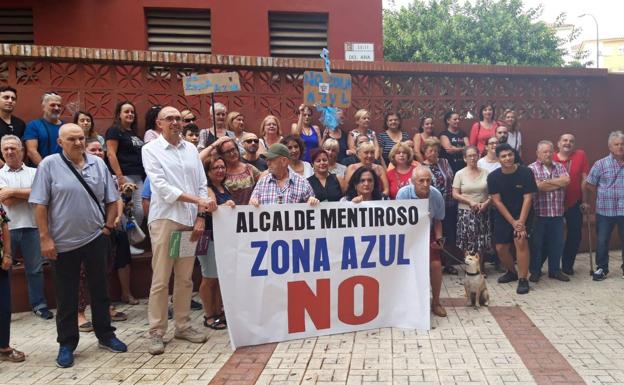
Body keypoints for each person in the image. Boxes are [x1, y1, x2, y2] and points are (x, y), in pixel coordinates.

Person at [30, 123, 127, 368]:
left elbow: (111, 199)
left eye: (81, 138)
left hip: (96, 238)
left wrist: (106, 228)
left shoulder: (98, 163)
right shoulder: (49, 165)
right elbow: (39, 204)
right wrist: (45, 238)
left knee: (100, 290)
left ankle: (106, 335)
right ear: (60, 142)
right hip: (62, 243)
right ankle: (67, 343)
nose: (78, 143)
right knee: (66, 296)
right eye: (71, 139)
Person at [142, 106, 217, 355]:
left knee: (185, 278)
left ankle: (183, 326)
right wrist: (198, 202)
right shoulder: (150, 150)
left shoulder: (191, 150)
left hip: (189, 220)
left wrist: (200, 217)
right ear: (159, 123)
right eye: (170, 119)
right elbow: (162, 188)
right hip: (165, 219)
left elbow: (202, 184)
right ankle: (156, 331)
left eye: (179, 119)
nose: (176, 122)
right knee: (161, 278)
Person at [0, 135, 52, 319]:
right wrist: (29, 194)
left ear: (21, 150)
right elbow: (8, 202)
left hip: (32, 226)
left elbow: (40, 195)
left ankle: (39, 305)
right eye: (5, 148)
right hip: (6, 230)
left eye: (13, 148)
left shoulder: (35, 172)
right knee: (3, 270)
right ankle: (4, 310)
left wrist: (13, 191)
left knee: (35, 269)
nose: (9, 151)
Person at [397, 166, 447, 317]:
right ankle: (406, 302)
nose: (425, 184)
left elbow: (438, 220)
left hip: (427, 232)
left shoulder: (436, 195)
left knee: (436, 265)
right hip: (406, 234)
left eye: (428, 180)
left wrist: (439, 239)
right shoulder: (403, 194)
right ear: (413, 182)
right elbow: (397, 222)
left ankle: (436, 302)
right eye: (421, 181)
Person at [487, 143, 537, 295]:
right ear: (498, 159)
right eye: (503, 156)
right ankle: (511, 272)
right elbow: (497, 201)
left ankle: (523, 279)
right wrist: (513, 222)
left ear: (514, 155)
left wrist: (520, 223)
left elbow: (528, 198)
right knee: (500, 248)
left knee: (520, 240)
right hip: (504, 215)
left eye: (510, 155)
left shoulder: (526, 172)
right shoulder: (493, 177)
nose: (507, 158)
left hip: (524, 213)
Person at [105, 101, 145, 255]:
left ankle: (132, 240)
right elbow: (111, 154)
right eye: (126, 111)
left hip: (137, 176)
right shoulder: (114, 131)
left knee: (139, 211)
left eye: (132, 112)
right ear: (119, 115)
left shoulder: (134, 134)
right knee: (127, 211)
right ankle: (126, 244)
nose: (130, 114)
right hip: (125, 176)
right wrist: (120, 177)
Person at [199, 156, 235, 330]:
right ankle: (209, 315)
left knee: (220, 278)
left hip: (222, 240)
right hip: (208, 238)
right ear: (208, 172)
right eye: (216, 168)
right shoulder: (207, 188)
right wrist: (224, 205)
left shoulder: (224, 187)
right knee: (209, 278)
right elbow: (212, 205)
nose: (220, 170)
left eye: (222, 167)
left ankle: (219, 312)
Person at [527, 140, 570, 282]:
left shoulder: (560, 166)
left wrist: (545, 183)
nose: (548, 154)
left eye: (550, 151)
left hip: (557, 213)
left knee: (557, 244)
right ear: (538, 153)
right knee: (537, 245)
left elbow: (566, 181)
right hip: (540, 214)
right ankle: (535, 271)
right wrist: (556, 182)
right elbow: (538, 187)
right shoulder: (531, 169)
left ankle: (555, 271)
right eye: (545, 152)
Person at [584, 130, 624, 281]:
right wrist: (603, 193)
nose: (620, 147)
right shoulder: (600, 164)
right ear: (610, 147)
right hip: (605, 210)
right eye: (617, 144)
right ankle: (602, 268)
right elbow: (589, 184)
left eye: (622, 144)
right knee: (602, 240)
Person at [553, 133, 590, 275]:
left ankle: (567, 265)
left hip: (574, 202)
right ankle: (546, 266)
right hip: (554, 204)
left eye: (571, 141)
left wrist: (585, 201)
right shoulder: (552, 157)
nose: (568, 143)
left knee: (575, 235)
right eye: (565, 140)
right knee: (552, 235)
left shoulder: (580, 155)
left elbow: (584, 179)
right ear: (558, 143)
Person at [452, 146, 491, 273]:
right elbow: (455, 194)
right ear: (464, 158)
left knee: (481, 239)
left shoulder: (486, 173)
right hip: (466, 212)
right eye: (469, 156)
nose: (473, 158)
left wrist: (485, 203)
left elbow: (493, 194)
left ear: (478, 156)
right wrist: (470, 202)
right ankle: (470, 268)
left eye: (475, 155)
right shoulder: (460, 173)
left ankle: (481, 266)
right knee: (467, 240)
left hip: (483, 210)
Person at [422, 137, 457, 274]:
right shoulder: (421, 167)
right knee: (434, 235)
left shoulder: (445, 162)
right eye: (430, 151)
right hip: (432, 208)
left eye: (436, 151)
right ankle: (435, 263)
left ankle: (448, 264)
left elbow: (451, 178)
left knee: (449, 234)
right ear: (425, 152)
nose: (434, 153)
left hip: (449, 204)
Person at [249, 143, 318, 206]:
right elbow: (251, 204)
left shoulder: (302, 182)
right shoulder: (262, 182)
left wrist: (312, 201)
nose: (268, 163)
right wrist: (252, 202)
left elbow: (313, 210)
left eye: (271, 160)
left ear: (284, 161)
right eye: (267, 160)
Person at [0, 202, 23, 363]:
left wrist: (7, 254)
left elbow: (4, 225)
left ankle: (3, 347)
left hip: (1, 264)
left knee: (4, 307)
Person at [215, 137, 260, 205]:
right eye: (227, 152)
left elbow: (263, 180)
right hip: (228, 212)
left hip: (250, 212)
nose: (232, 153)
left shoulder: (250, 169)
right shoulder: (220, 172)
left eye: (233, 149)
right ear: (221, 155)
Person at [24, 92, 63, 165]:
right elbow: (32, 152)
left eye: (59, 105)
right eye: (52, 105)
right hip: (40, 171)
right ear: (43, 107)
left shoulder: (66, 127)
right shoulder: (34, 125)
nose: (57, 108)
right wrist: (46, 170)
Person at [0, 86, 26, 167]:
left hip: (16, 170)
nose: (10, 101)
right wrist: (4, 168)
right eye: (6, 98)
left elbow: (22, 148)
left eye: (13, 99)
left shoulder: (20, 123)